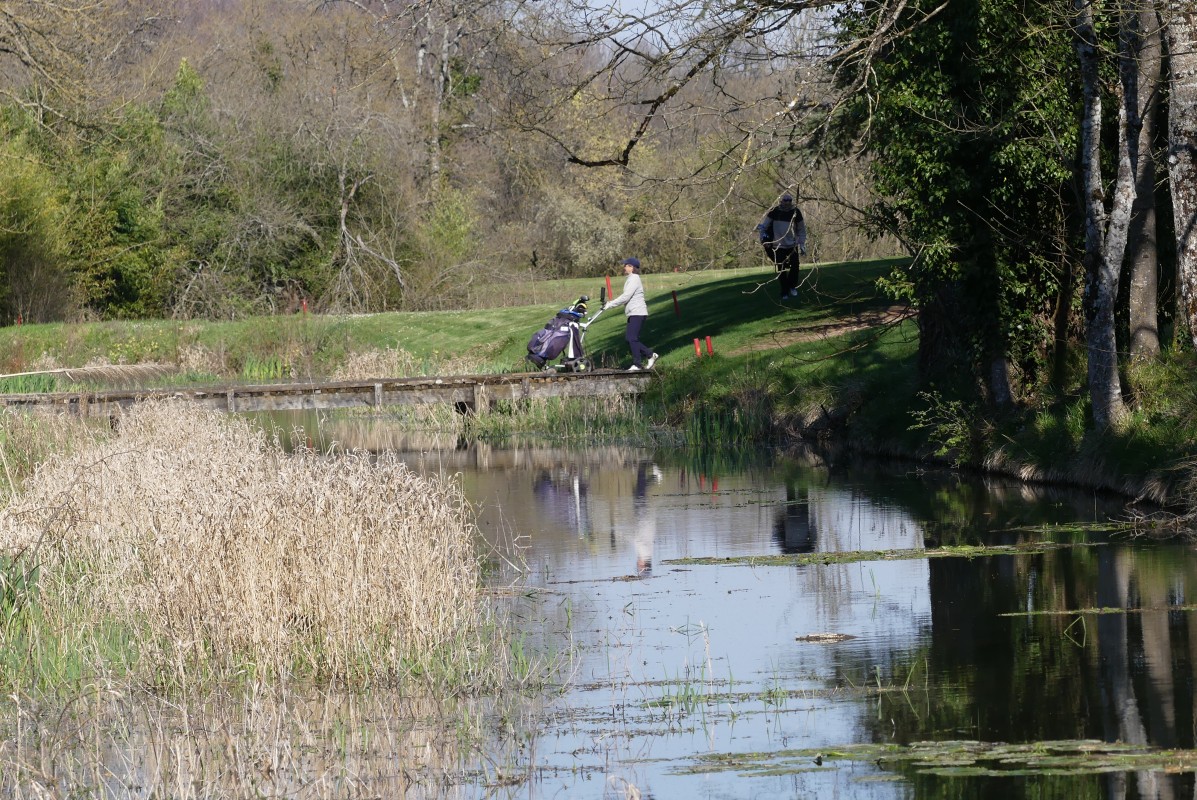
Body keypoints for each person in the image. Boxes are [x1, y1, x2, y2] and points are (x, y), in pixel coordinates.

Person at [602, 257, 659, 371]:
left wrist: (611, 304)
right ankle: (649, 354)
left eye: (626, 265)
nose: (624, 267)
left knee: (632, 338)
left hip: (638, 312)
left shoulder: (634, 279)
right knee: (629, 339)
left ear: (632, 267)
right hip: (633, 313)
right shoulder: (631, 278)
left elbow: (626, 297)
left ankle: (637, 364)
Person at [756, 193, 807, 300]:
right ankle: (784, 292)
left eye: (790, 200)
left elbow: (801, 229)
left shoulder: (795, 212)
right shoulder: (774, 211)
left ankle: (792, 286)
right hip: (778, 245)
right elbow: (764, 226)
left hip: (792, 245)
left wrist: (801, 243)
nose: (788, 202)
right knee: (781, 269)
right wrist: (764, 240)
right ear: (781, 201)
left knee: (795, 266)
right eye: (785, 200)